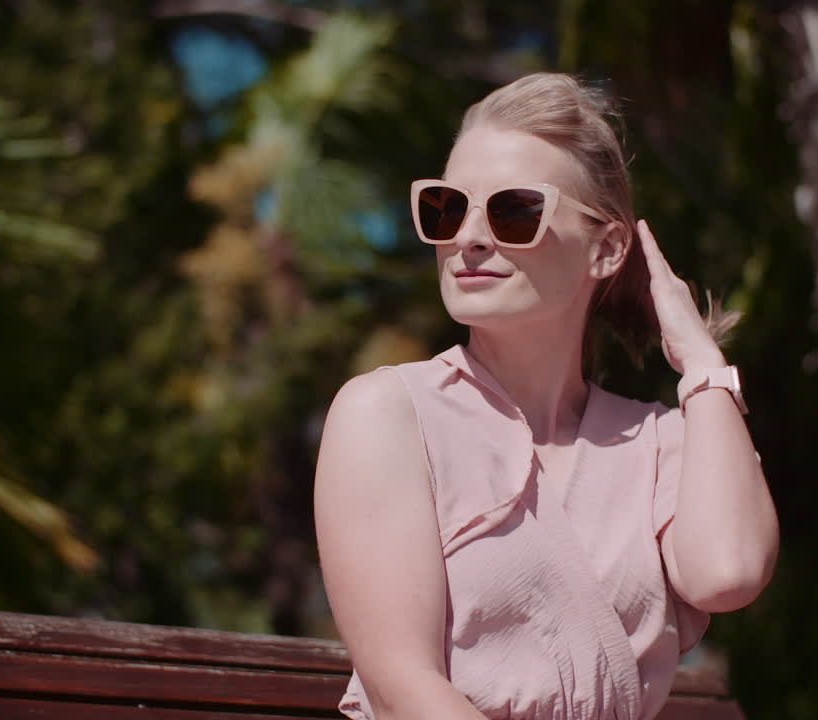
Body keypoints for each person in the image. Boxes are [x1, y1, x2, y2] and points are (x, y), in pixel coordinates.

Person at [313, 73, 779, 720]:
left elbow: (729, 572)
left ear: (607, 249)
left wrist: (702, 362)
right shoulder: (389, 416)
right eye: (446, 207)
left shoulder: (660, 441)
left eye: (514, 210)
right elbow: (401, 687)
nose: (469, 237)